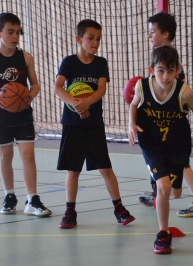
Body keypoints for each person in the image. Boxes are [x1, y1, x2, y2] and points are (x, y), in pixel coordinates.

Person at [128, 45, 193, 254]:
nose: (166, 76)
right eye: (160, 71)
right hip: (151, 143)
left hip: (177, 145)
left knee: (175, 193)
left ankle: (158, 181)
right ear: (152, 70)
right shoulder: (142, 87)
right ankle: (163, 234)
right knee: (164, 187)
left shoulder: (184, 92)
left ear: (177, 70)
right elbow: (133, 105)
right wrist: (130, 124)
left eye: (170, 71)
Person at [54, 19, 135, 229]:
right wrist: (75, 104)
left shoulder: (101, 63)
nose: (96, 42)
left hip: (94, 124)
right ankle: (69, 212)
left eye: (98, 38)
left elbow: (101, 89)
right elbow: (58, 87)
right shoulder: (69, 62)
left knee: (106, 168)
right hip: (72, 124)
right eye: (91, 38)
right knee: (73, 170)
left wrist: (87, 102)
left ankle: (119, 209)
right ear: (79, 39)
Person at [137, 11, 193, 218]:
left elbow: (187, 104)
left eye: (153, 32)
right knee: (172, 166)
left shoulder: (170, 65)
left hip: (173, 129)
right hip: (160, 129)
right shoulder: (160, 64)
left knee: (179, 164)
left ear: (165, 34)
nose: (150, 36)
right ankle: (162, 194)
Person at [0, 13, 52, 216]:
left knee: (28, 154)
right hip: (2, 116)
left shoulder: (26, 57)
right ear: (1, 32)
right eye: (10, 32)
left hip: (22, 113)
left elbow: (35, 84)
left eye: (18, 32)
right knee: (6, 155)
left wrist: (28, 97)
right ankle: (9, 195)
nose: (15, 36)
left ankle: (32, 199)